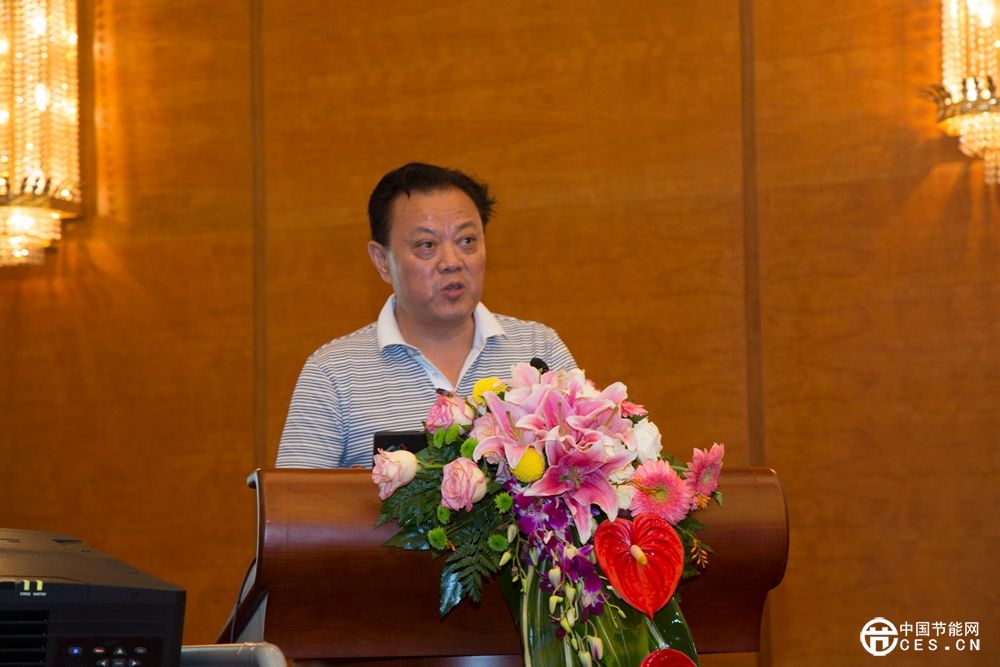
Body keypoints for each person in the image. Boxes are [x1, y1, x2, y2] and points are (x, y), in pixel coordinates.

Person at [276, 162, 577, 468]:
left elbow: (589, 464)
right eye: (427, 245)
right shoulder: (334, 374)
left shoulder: (539, 350)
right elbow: (293, 498)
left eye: (467, 241)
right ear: (382, 261)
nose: (452, 262)